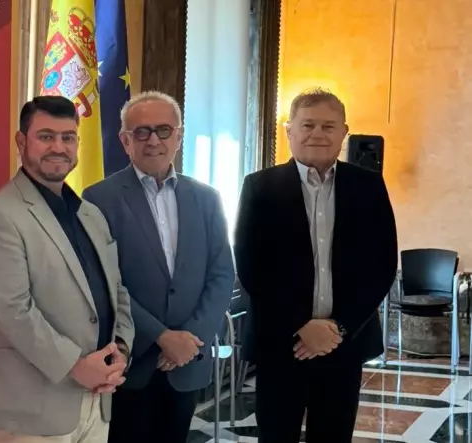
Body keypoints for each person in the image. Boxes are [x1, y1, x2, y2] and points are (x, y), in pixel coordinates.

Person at [0, 96, 135, 443]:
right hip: (30, 409)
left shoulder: (90, 215)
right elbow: (12, 310)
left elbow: (116, 291)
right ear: (21, 142)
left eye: (68, 137)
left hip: (96, 397)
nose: (59, 147)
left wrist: (121, 350)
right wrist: (76, 366)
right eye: (46, 136)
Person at [234, 88, 398, 442]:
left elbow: (381, 264)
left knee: (334, 436)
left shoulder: (368, 187)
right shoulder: (260, 187)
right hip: (281, 344)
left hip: (345, 343)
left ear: (344, 132)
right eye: (307, 125)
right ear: (289, 130)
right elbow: (251, 267)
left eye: (328, 126)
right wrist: (300, 326)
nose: (317, 134)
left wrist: (338, 327)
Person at [83, 91, 235, 443]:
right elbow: (103, 282)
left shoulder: (207, 199)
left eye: (164, 130)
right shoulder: (98, 199)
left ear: (178, 136)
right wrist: (162, 337)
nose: (153, 140)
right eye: (141, 132)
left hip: (188, 361)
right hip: (131, 361)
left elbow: (221, 274)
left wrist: (190, 341)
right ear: (125, 140)